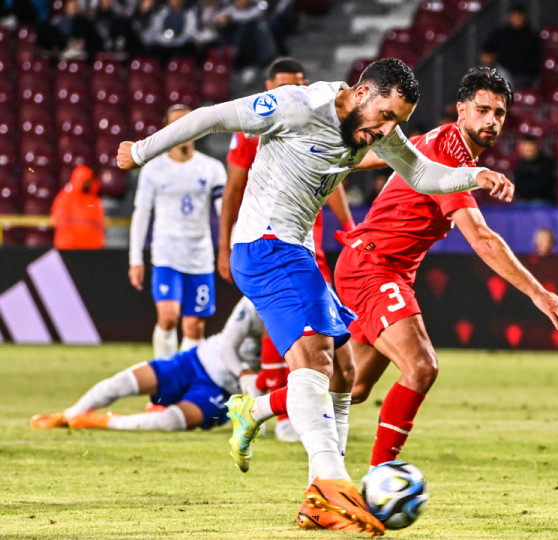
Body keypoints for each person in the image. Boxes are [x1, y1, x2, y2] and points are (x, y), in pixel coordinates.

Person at [115, 58, 514, 536]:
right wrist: (140, 152)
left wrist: (477, 175)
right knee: (316, 362)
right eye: (385, 116)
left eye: (398, 123)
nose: (388, 130)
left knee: (344, 372)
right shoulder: (298, 105)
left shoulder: (380, 131)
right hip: (263, 246)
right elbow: (211, 117)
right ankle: (331, 485)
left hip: (296, 250)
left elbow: (424, 175)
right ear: (364, 93)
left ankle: (313, 497)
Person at [227, 67, 558, 473]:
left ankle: (253, 410)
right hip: (372, 267)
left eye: (499, 114)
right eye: (482, 110)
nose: (491, 121)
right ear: (461, 110)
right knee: (421, 365)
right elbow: (481, 238)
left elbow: (378, 155)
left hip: (380, 267)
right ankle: (380, 481)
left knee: (353, 386)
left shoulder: (441, 145)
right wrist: (539, 292)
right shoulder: (449, 151)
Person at [218, 57, 355, 444]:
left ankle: (266, 410)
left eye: (298, 82)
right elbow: (232, 189)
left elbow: (337, 177)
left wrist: (348, 226)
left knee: (336, 360)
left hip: (309, 245)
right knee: (301, 343)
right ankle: (286, 418)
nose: (292, 90)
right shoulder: (251, 129)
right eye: (283, 84)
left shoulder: (319, 120)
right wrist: (223, 246)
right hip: (269, 242)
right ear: (267, 86)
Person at [30, 297, 265, 432]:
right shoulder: (255, 299)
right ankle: (67, 416)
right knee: (122, 382)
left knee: (171, 422)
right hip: (196, 360)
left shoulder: (299, 313)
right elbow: (227, 347)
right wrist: (244, 373)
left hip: (224, 391)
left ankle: (103, 421)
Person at [129, 104, 226, 360]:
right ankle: (163, 385)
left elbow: (224, 212)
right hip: (166, 255)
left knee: (195, 327)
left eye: (188, 124)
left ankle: (185, 383)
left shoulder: (212, 168)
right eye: (176, 125)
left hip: (200, 257)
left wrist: (231, 245)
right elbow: (141, 213)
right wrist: (135, 259)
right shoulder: (153, 169)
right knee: (169, 317)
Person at [481, 3, 541, 88]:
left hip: (521, 76)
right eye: (514, 15)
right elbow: (487, 50)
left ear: (524, 18)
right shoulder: (500, 33)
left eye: (519, 16)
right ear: (509, 16)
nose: (517, 18)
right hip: (500, 71)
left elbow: (535, 63)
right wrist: (488, 59)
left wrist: (518, 68)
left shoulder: (532, 37)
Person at [51, 164, 105, 250]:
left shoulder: (94, 200)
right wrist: (72, 241)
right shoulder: (65, 197)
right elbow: (59, 221)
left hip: (91, 249)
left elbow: (99, 224)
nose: (87, 183)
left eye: (89, 180)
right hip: (68, 248)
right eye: (85, 180)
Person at [512, 134, 557, 204]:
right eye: (526, 148)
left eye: (531, 147)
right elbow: (517, 187)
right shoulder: (519, 165)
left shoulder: (547, 163)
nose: (529, 150)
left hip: (542, 201)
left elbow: (543, 186)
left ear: (536, 147)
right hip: (524, 201)